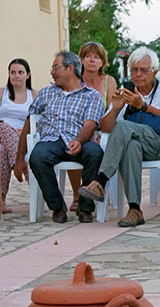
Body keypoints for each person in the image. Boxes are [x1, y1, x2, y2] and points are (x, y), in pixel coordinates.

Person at [78, 47, 160, 228]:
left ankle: (100, 180)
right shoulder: (127, 91)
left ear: (155, 72)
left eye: (143, 70)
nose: (138, 74)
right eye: (134, 69)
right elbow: (106, 127)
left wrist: (143, 107)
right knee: (131, 145)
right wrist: (116, 107)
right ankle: (134, 209)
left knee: (125, 126)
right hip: (138, 146)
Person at [14, 51, 105, 224]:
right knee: (38, 157)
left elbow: (90, 124)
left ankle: (85, 207)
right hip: (51, 139)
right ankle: (57, 207)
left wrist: (79, 141)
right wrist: (20, 158)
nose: (52, 72)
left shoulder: (92, 96)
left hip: (80, 139)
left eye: (56, 67)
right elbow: (29, 121)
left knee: (96, 153)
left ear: (70, 69)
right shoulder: (46, 93)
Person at [69, 41, 119, 213]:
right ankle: (77, 195)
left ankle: (93, 190)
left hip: (103, 129)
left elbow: (113, 110)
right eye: (87, 56)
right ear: (81, 60)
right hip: (78, 128)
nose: (92, 60)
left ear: (102, 62)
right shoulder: (74, 80)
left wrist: (97, 131)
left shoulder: (109, 81)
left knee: (95, 146)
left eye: (96, 57)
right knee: (74, 142)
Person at [0, 58, 33, 214]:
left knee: (2, 150)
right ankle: (22, 167)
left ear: (28, 75)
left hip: (23, 139)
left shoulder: (35, 95)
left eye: (20, 72)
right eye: (13, 72)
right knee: (2, 126)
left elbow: (39, 123)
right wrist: (10, 130)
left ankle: (1, 200)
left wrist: (22, 132)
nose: (16, 76)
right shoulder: (0, 93)